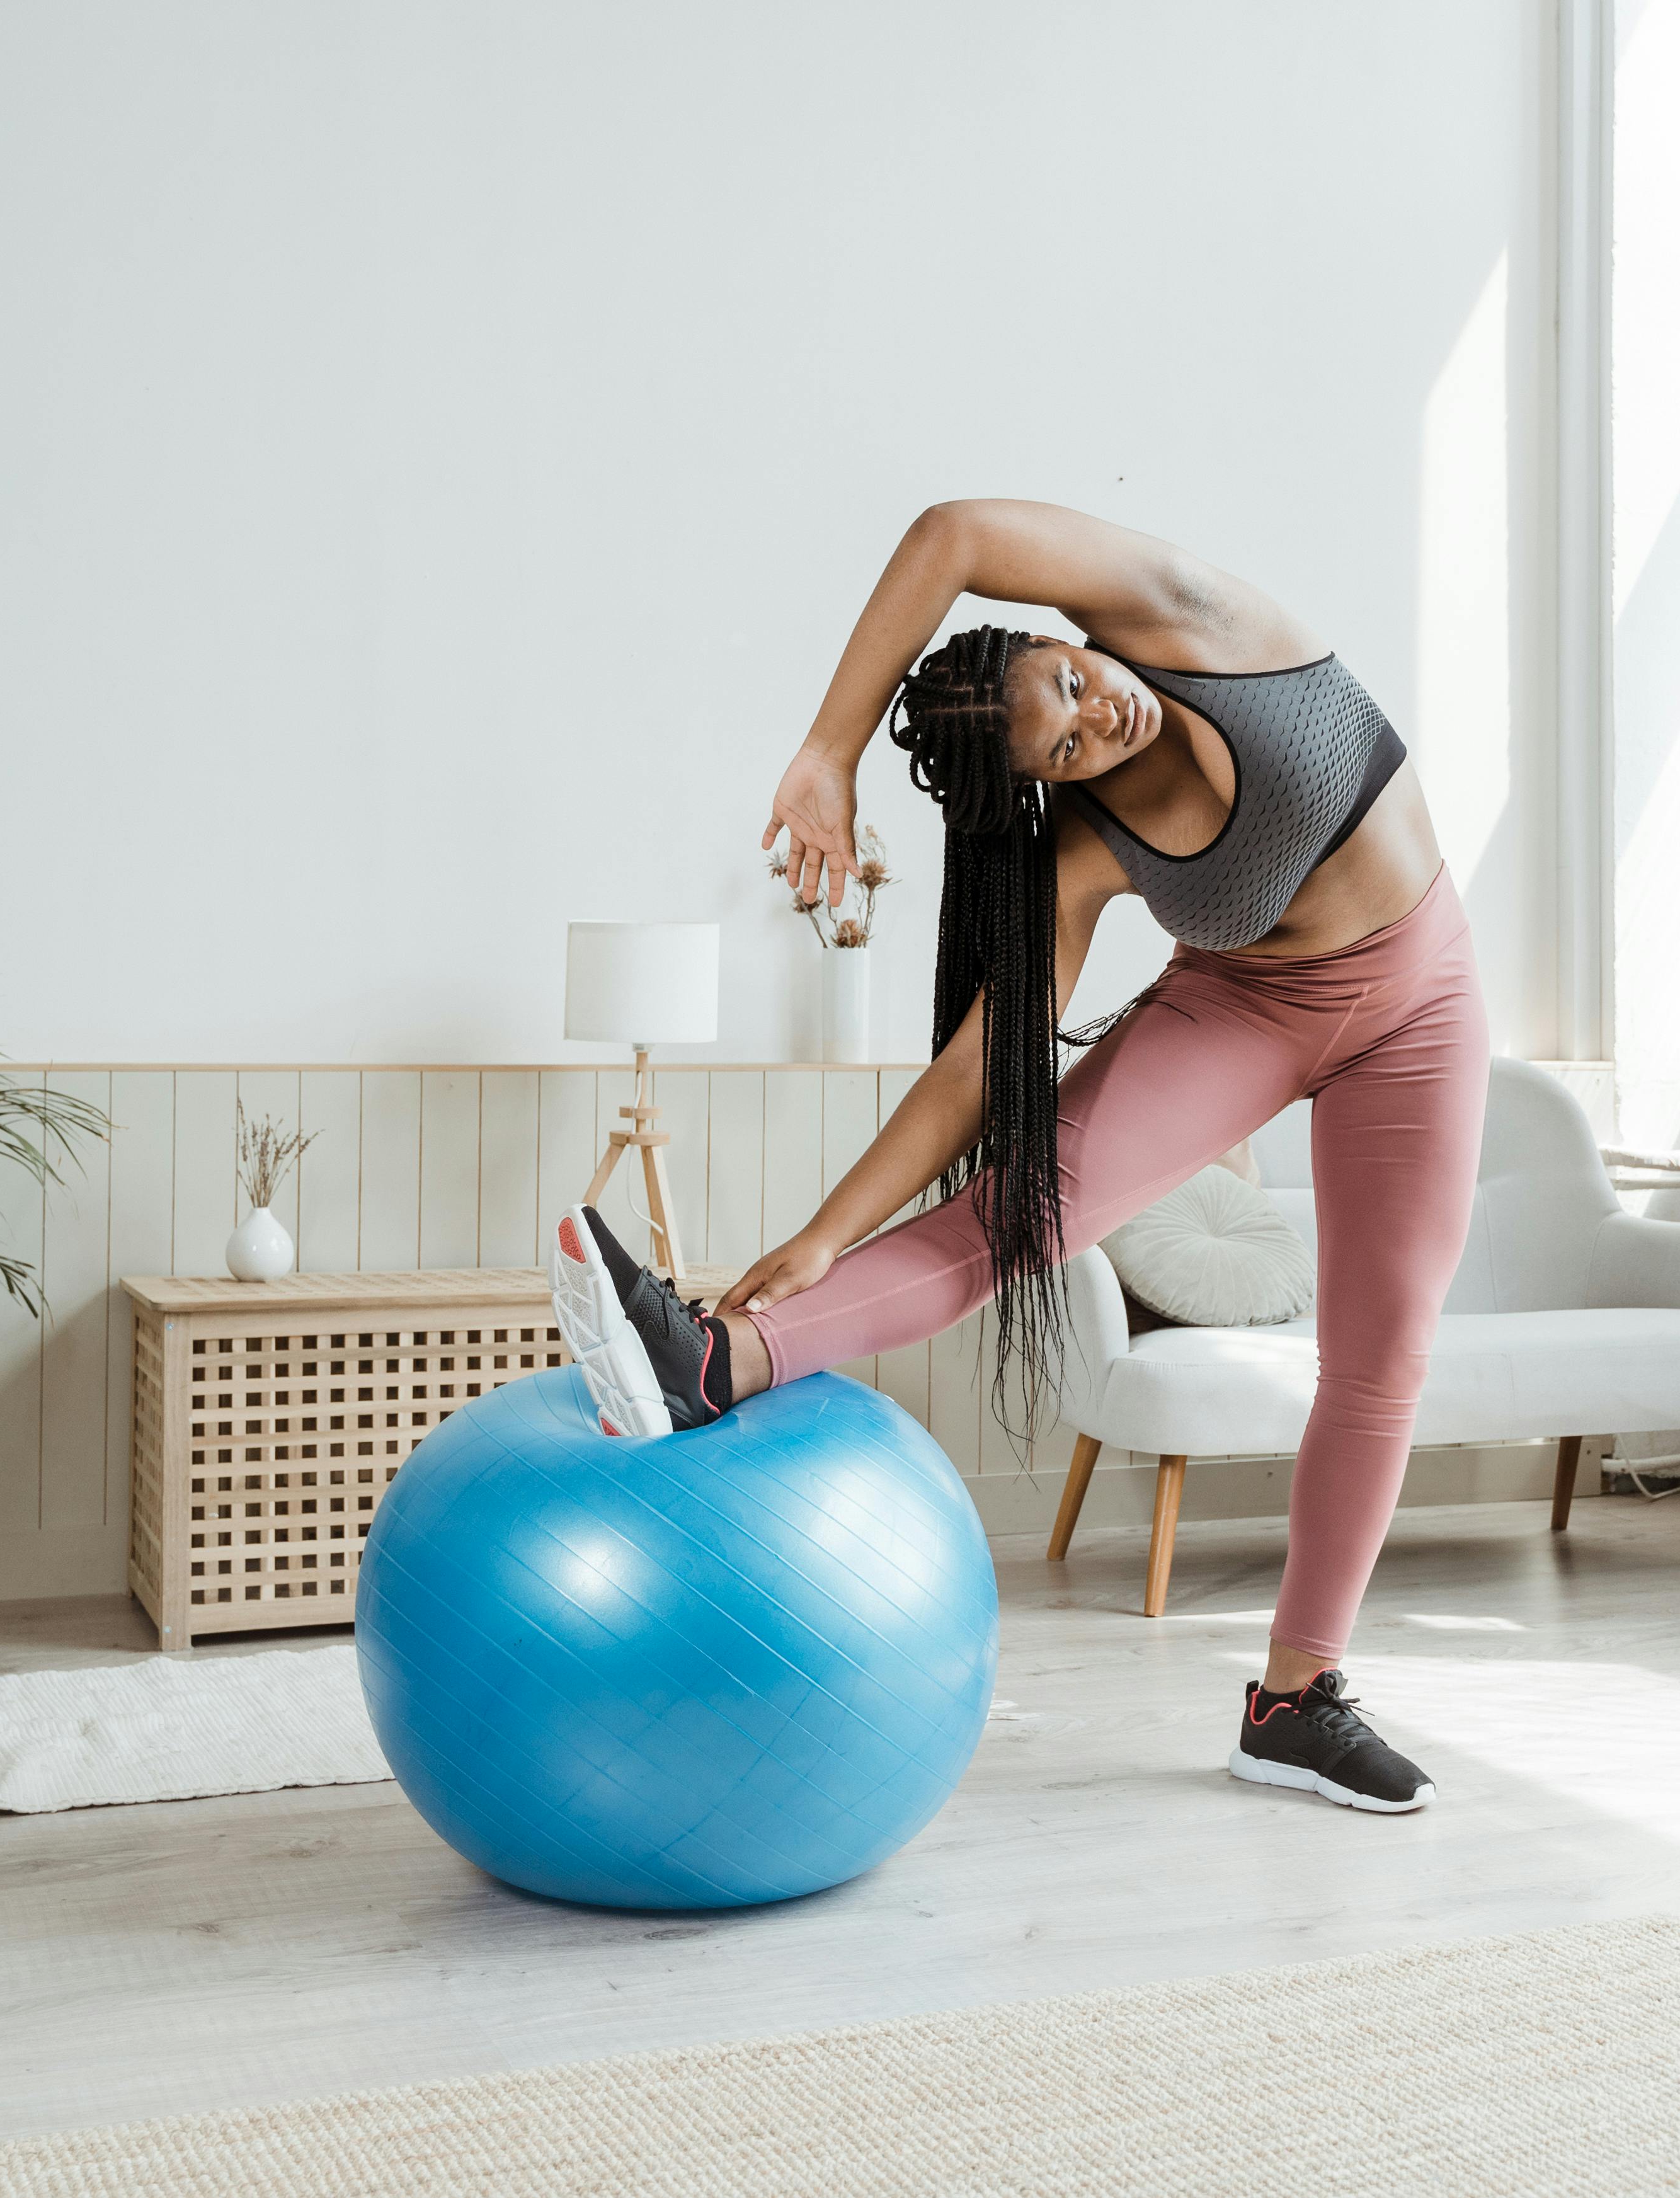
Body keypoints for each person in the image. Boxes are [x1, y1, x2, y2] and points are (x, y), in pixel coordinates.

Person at [551, 499, 1485, 1812]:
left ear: (1061, 640)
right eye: (1069, 740)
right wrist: (827, 1228)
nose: (1100, 712)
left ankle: (1293, 1701)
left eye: (1069, 680)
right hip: (1246, 1010)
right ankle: (708, 1357)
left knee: (1385, 1348)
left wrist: (828, 753)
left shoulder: (1187, 622)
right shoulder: (1084, 845)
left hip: (1421, 998)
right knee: (1014, 1212)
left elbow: (953, 533)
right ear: (1052, 784)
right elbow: (974, 1081)